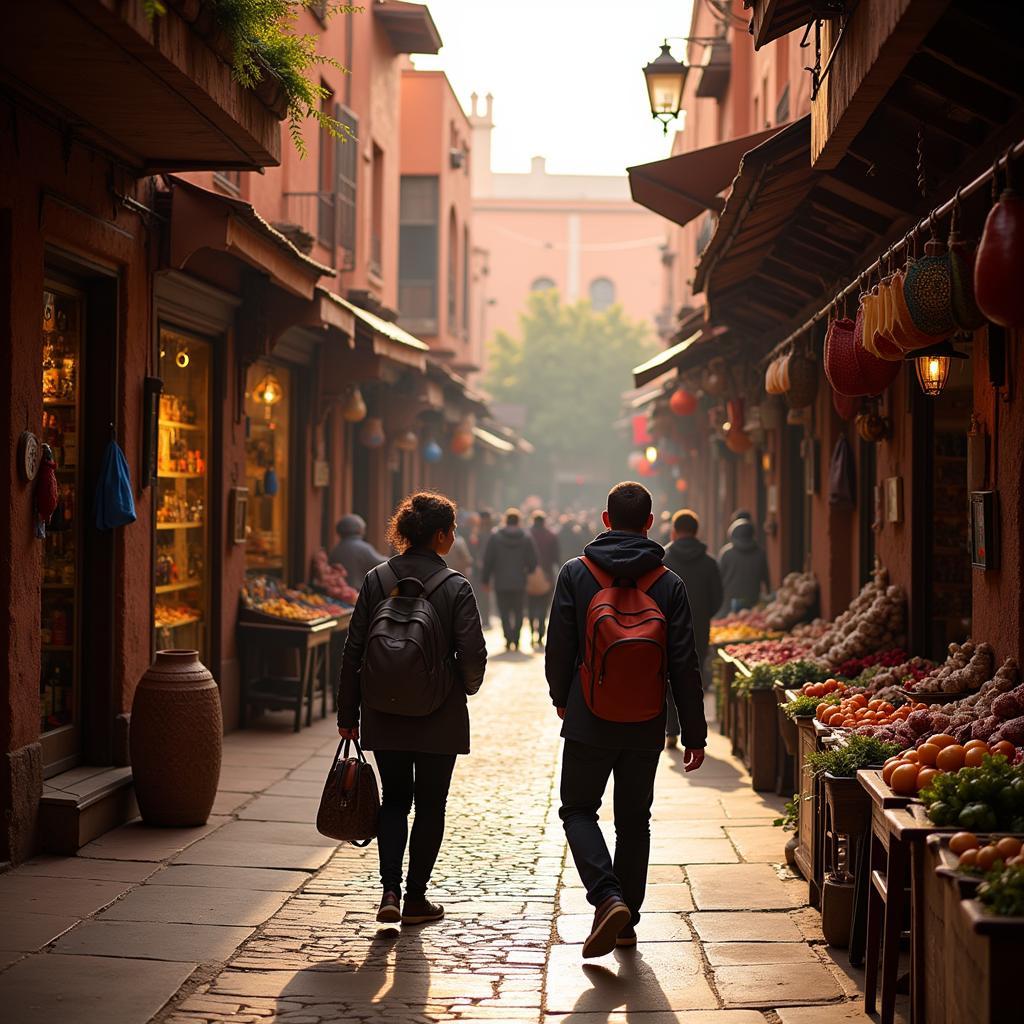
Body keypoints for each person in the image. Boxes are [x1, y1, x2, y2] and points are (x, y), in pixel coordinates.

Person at [546, 481, 706, 957]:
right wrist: (693, 732)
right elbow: (684, 663)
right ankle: (627, 922)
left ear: (605, 519)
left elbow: (560, 647)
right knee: (635, 821)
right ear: (651, 523)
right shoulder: (668, 583)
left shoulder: (576, 573)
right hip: (646, 719)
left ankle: (606, 896)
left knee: (578, 809)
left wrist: (563, 697)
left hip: (589, 715)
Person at [337, 493, 487, 926]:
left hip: (384, 709)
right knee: (431, 805)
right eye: (452, 530)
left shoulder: (375, 579)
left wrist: (349, 714)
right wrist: (462, 688)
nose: (454, 537)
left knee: (394, 800)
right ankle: (416, 897)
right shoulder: (456, 587)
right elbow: (472, 654)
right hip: (439, 713)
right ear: (440, 536)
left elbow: (354, 650)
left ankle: (389, 891)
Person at [662, 509, 723, 745]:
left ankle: (671, 729)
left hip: (668, 626)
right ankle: (693, 730)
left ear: (674, 531)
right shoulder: (709, 562)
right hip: (698, 625)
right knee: (693, 676)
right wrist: (703, 614)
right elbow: (718, 597)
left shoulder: (664, 560)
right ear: (696, 531)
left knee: (668, 675)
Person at [482, 507, 537, 651]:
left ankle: (508, 638)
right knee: (519, 611)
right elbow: (533, 561)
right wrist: (528, 570)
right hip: (520, 581)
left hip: (500, 581)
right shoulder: (526, 537)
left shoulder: (495, 537)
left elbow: (488, 560)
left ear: (505, 520)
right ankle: (516, 639)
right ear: (518, 521)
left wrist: (485, 579)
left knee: (504, 611)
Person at [717, 517, 771, 616]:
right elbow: (766, 578)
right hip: (753, 599)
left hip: (729, 601)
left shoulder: (726, 553)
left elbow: (718, 578)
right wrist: (769, 594)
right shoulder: (760, 552)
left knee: (730, 624)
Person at [527, 510, 560, 649]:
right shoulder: (551, 536)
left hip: (529, 575)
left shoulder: (527, 535)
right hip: (547, 575)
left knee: (530, 606)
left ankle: (531, 633)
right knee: (543, 606)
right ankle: (540, 634)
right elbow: (556, 557)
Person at [328, 514, 386, 591]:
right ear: (359, 529)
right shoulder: (363, 547)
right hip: (357, 592)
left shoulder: (335, 549)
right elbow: (380, 564)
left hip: (339, 591)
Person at [467, 509, 494, 628]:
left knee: (483, 594)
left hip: (484, 568)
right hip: (483, 568)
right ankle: (485, 618)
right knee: (482, 594)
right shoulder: (483, 533)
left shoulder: (481, 533)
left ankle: (485, 618)